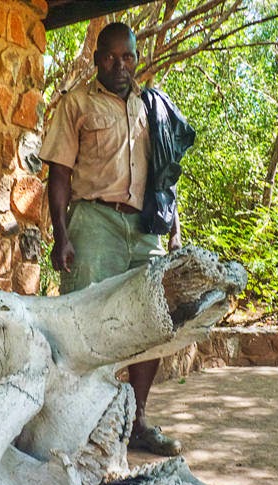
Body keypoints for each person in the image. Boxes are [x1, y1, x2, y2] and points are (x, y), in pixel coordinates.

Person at [39, 22, 186, 456]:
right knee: (83, 324)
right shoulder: (76, 104)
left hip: (144, 229)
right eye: (110, 56)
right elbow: (59, 174)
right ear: (97, 59)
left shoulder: (150, 106)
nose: (119, 65)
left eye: (127, 56)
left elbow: (164, 176)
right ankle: (76, 426)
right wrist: (61, 235)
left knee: (154, 323)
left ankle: (136, 422)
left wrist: (175, 232)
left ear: (136, 58)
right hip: (93, 221)